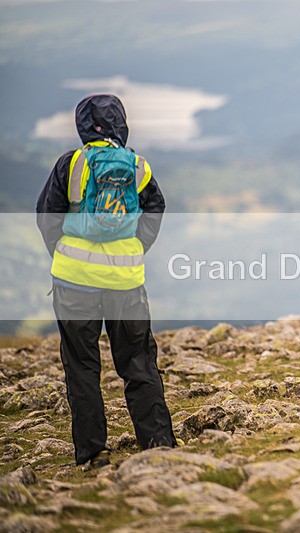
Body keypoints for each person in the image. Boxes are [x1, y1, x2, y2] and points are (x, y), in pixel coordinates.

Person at [36, 94, 176, 470]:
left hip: (73, 283)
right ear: (121, 124)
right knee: (138, 364)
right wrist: (135, 247)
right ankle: (159, 444)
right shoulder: (138, 166)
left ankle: (94, 453)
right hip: (126, 282)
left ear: (83, 125)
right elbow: (156, 207)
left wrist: (64, 254)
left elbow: (47, 216)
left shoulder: (72, 163)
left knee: (82, 366)